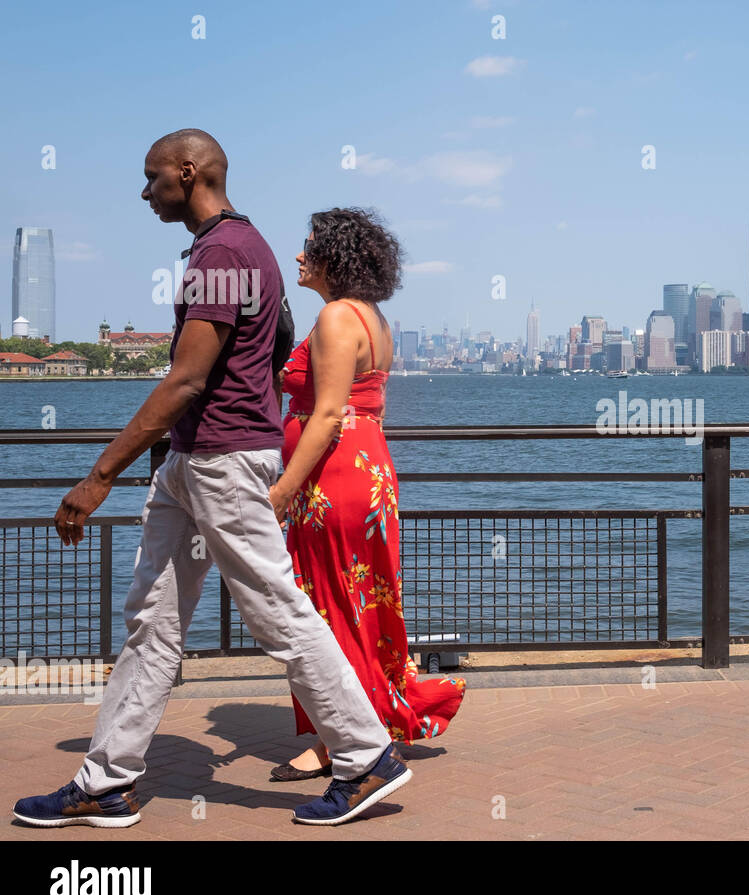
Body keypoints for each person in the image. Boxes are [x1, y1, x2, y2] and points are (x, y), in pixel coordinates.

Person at [13, 129, 408, 828]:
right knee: (152, 622)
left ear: (188, 173)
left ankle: (365, 754)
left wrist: (99, 475)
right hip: (194, 461)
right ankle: (108, 780)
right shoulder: (238, 248)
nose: (145, 193)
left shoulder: (224, 251)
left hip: (222, 462)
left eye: (152, 178)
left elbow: (189, 376)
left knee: (276, 611)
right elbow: (275, 349)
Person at [267, 207, 465, 782]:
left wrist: (281, 491)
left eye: (309, 247)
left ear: (336, 256)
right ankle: (367, 722)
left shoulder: (335, 318)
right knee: (360, 604)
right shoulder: (372, 317)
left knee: (325, 608)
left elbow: (327, 415)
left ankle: (339, 742)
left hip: (331, 480)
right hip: (367, 471)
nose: (299, 256)